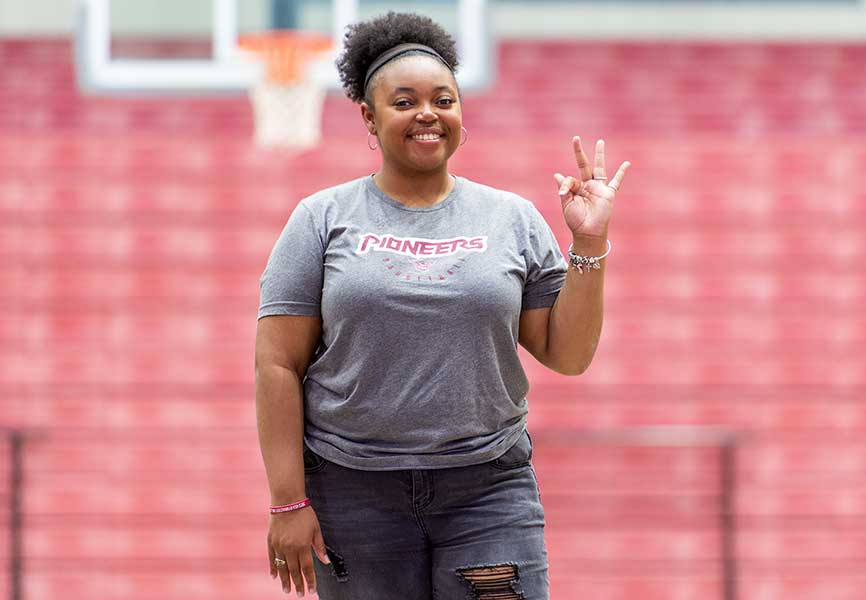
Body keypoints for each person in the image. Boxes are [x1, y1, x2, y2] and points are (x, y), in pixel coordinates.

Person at [254, 11, 630, 600]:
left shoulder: (511, 218)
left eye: (443, 99)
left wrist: (588, 243)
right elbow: (277, 365)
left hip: (487, 490)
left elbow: (568, 354)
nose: (427, 113)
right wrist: (288, 499)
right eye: (404, 101)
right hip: (353, 492)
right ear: (369, 118)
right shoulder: (320, 219)